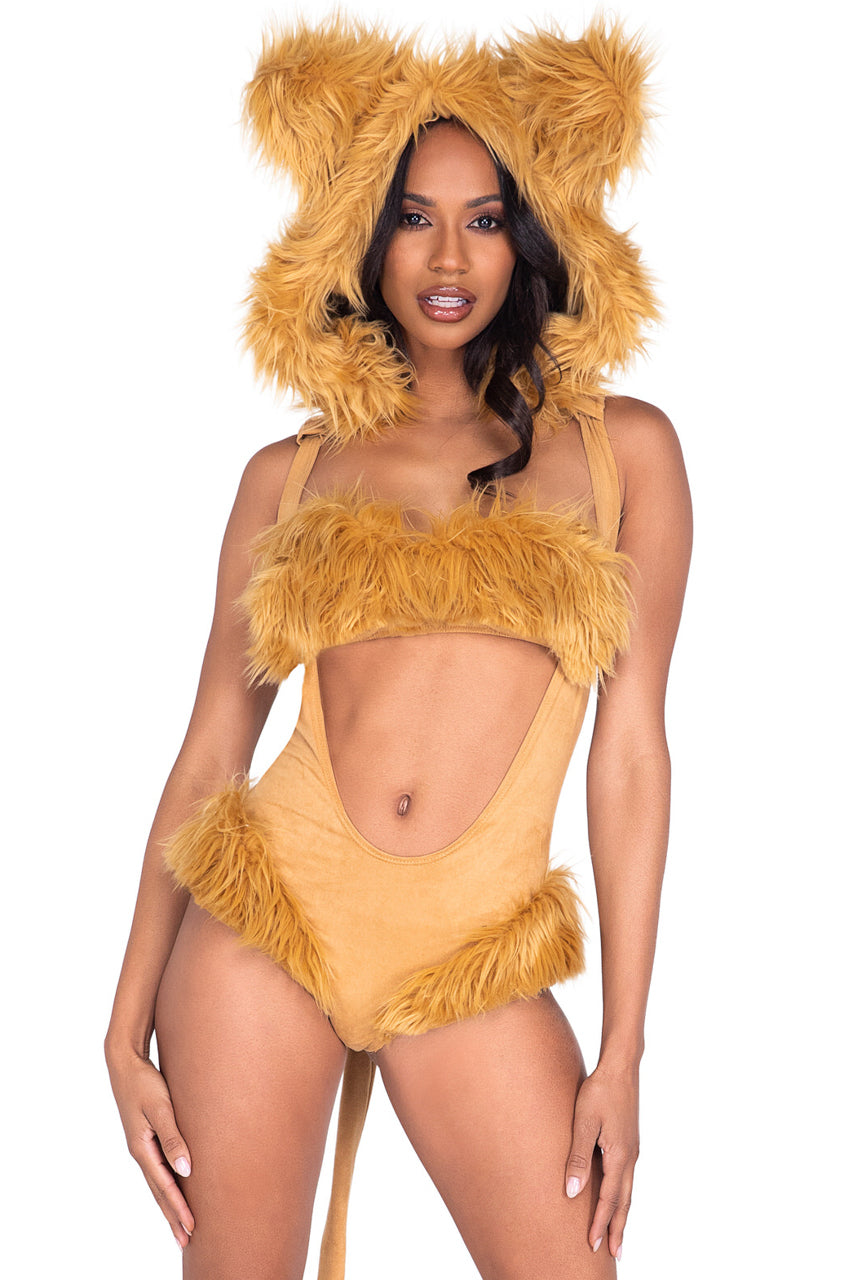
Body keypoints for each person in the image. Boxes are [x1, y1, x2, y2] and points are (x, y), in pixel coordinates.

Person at [105, 13, 692, 1279]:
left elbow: (632, 754)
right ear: (365, 237)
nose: (447, 255)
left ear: (532, 237)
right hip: (268, 928)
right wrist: (118, 1022)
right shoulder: (288, 470)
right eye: (414, 217)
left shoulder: (624, 453)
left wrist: (622, 1050)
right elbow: (211, 750)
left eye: (486, 219)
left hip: (471, 950)